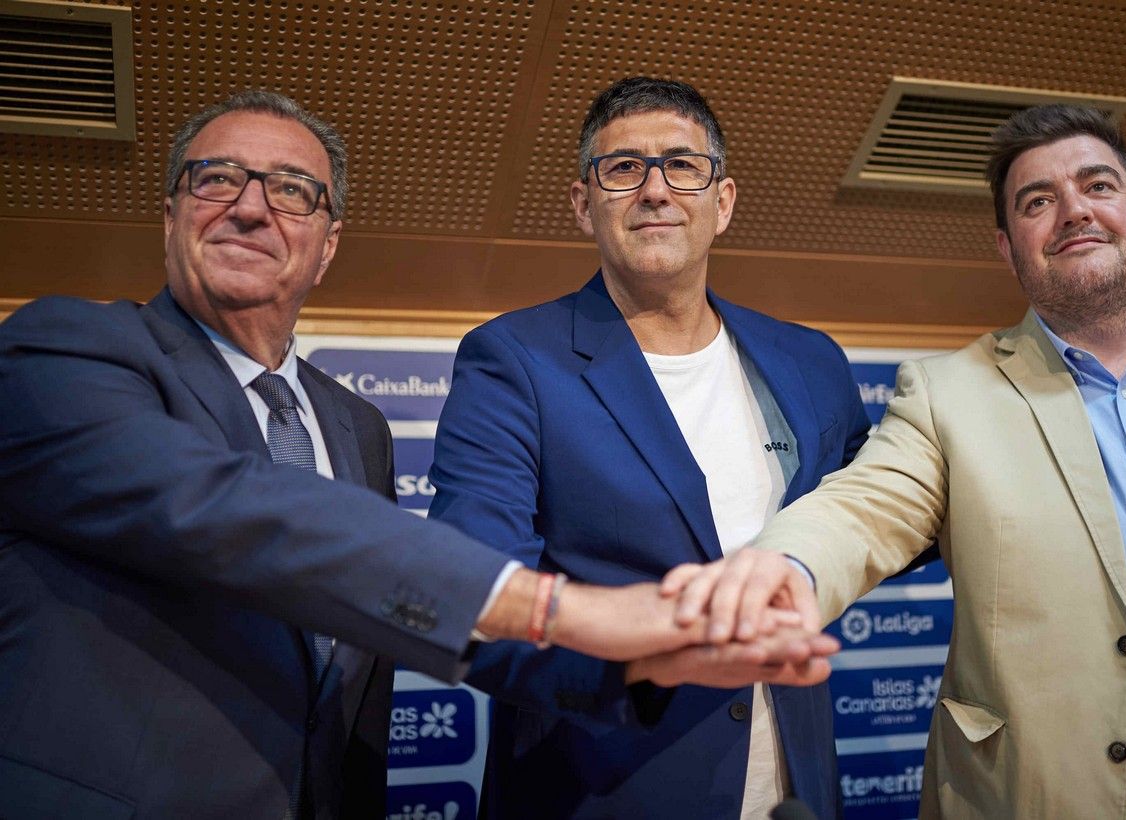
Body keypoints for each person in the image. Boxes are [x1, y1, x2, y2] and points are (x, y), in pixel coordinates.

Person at [0, 90, 836, 820]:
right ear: (172, 210)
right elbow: (220, 503)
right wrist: (572, 614)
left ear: (327, 244)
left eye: (293, 191)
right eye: (217, 179)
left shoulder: (354, 424)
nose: (252, 209)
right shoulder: (64, 352)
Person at [668, 104, 1126, 819]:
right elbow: (862, 509)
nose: (1072, 212)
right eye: (1038, 201)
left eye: (1098, 186)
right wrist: (779, 571)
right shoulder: (950, 395)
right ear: (1008, 246)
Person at [425, 76, 869, 820]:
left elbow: (871, 519)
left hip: (793, 789)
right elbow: (474, 587)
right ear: (583, 204)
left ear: (722, 202)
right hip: (603, 787)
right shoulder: (513, 360)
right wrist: (640, 655)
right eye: (624, 169)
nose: (656, 190)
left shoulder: (810, 360)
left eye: (682, 165)